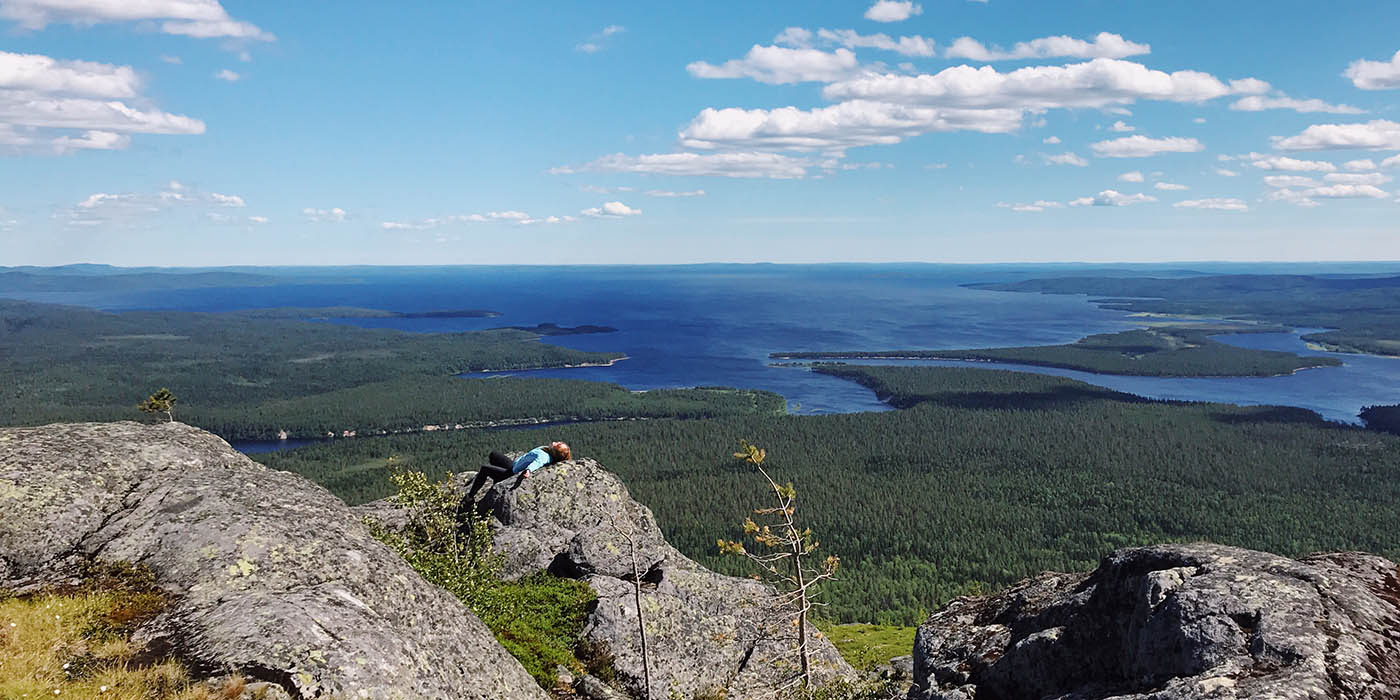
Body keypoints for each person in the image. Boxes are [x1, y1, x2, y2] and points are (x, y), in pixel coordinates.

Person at [463, 441, 572, 504]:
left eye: (557, 445)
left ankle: (470, 497)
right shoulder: (547, 450)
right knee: (494, 454)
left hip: (510, 473)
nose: (556, 442)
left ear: (554, 451)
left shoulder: (544, 456)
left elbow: (537, 463)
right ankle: (496, 480)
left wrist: (528, 470)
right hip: (513, 465)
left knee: (485, 469)